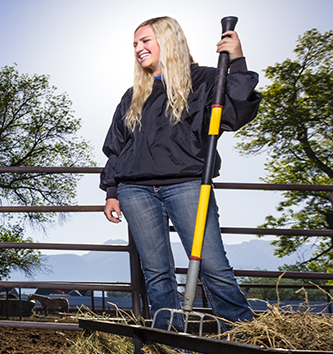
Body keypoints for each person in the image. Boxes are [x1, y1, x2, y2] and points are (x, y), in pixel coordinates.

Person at [101, 16, 261, 330]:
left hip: (188, 185)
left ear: (168, 40)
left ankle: (245, 338)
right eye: (135, 44)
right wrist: (112, 191)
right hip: (135, 190)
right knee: (157, 273)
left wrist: (238, 59)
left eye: (145, 41)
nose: (138, 49)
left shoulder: (203, 80)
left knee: (214, 266)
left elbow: (238, 111)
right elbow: (115, 146)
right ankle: (170, 343)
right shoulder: (132, 95)